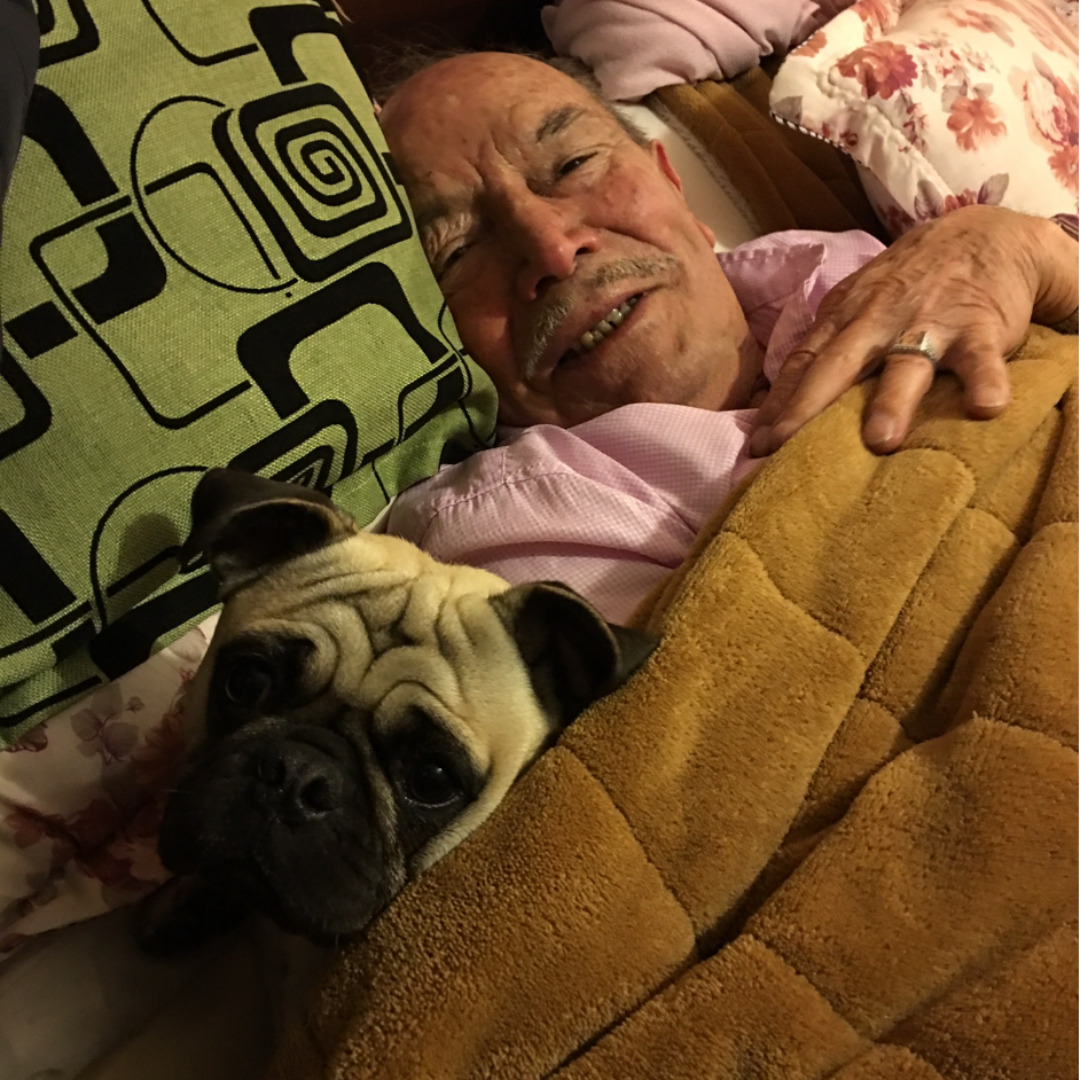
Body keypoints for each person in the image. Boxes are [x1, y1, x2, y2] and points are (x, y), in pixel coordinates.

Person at [377, 51, 1079, 621]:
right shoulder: (514, 529)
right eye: (457, 250)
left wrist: (1035, 252)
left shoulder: (860, 262)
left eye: (572, 164)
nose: (554, 250)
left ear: (672, 184)